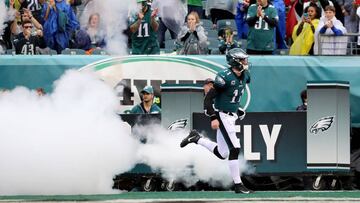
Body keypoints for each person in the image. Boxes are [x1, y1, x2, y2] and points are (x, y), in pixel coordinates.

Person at [180, 48, 253, 194]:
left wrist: (236, 109)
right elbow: (208, 99)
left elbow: (232, 95)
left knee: (222, 153)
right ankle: (238, 185)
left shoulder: (245, 75)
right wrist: (214, 117)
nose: (246, 62)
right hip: (222, 116)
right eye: (243, 60)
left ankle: (197, 138)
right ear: (235, 61)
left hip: (231, 115)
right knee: (235, 149)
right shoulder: (224, 77)